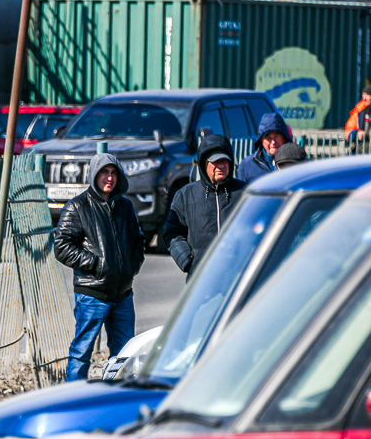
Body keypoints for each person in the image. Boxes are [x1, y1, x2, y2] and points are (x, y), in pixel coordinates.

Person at [53, 153, 145, 382]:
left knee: (124, 356)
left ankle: (115, 400)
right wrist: (96, 265)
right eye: (104, 172)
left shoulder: (125, 206)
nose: (109, 178)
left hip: (123, 294)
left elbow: (138, 240)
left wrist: (130, 268)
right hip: (92, 295)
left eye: (114, 173)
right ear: (94, 174)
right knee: (82, 352)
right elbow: (62, 246)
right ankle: (73, 400)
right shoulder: (77, 207)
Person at [163, 134, 246, 278]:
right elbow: (172, 233)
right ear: (203, 163)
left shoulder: (246, 193)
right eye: (215, 161)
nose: (220, 166)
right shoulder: (186, 195)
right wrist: (188, 261)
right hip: (200, 281)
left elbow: (260, 228)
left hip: (237, 279)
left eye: (224, 161)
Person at [237, 112, 293, 184]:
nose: (273, 142)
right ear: (261, 140)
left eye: (276, 136)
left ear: (284, 138)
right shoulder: (247, 165)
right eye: (268, 138)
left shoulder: (296, 163)